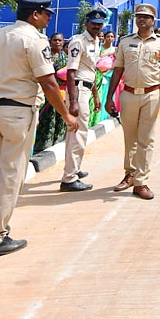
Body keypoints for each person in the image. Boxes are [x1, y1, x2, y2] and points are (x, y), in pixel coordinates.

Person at [0, 0, 77, 261]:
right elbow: (49, 82)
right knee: (10, 176)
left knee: (7, 172)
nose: (48, 20)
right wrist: (66, 115)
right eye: (46, 15)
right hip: (17, 112)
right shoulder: (34, 40)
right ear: (34, 15)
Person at [106, 4, 160, 199]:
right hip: (128, 94)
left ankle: (141, 182)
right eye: (139, 17)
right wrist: (109, 97)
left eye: (146, 17)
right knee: (130, 137)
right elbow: (118, 69)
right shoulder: (125, 42)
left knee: (146, 139)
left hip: (151, 94)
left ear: (153, 21)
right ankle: (129, 174)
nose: (141, 20)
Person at [60, 10, 107, 192]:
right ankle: (69, 178)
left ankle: (74, 168)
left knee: (76, 133)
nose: (96, 26)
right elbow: (71, 72)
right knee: (78, 133)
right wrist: (73, 101)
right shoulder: (78, 42)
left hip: (86, 89)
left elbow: (91, 70)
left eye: (100, 23)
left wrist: (95, 95)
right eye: (94, 23)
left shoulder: (95, 41)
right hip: (78, 90)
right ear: (86, 23)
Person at [33, 33, 70, 154]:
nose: (57, 42)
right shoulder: (46, 57)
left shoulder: (67, 58)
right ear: (50, 41)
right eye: (55, 40)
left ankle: (56, 145)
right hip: (46, 94)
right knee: (46, 121)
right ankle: (42, 147)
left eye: (60, 40)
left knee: (59, 120)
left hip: (62, 94)